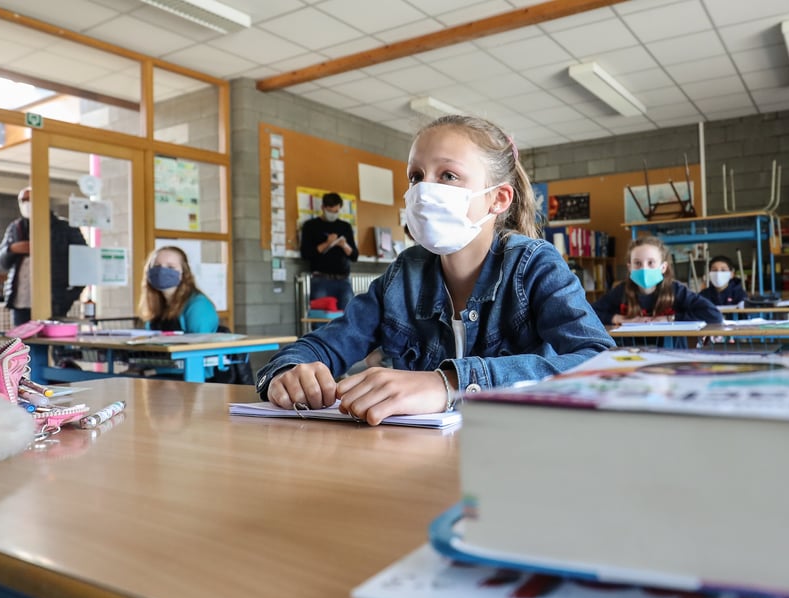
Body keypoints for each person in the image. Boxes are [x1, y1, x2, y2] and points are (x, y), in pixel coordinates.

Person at [257, 114, 613, 425]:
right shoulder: (403, 276)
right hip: (416, 464)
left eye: (448, 175)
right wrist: (289, 373)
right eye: (416, 176)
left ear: (497, 198)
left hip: (516, 458)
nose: (425, 189)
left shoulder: (535, 265)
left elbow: (603, 367)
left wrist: (450, 383)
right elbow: (323, 346)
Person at [0, 186, 87, 325]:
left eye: (30, 199)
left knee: (48, 343)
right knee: (22, 344)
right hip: (20, 302)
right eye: (22, 200)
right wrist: (11, 249)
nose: (26, 204)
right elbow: (0, 262)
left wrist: (68, 296)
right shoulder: (15, 228)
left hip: (53, 301)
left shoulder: (64, 228)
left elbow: (84, 263)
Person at [591, 236, 723, 326]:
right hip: (631, 353)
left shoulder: (675, 290)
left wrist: (670, 318)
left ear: (663, 267)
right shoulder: (621, 291)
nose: (644, 268)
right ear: (629, 267)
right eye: (637, 263)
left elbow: (713, 315)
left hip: (672, 353)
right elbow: (590, 313)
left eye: (651, 263)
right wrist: (617, 318)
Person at [300, 191, 359, 311]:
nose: (333, 214)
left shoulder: (345, 227)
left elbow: (354, 256)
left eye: (336, 211)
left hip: (343, 279)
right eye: (330, 211)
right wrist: (327, 243)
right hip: (321, 279)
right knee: (321, 320)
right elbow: (306, 254)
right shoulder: (311, 226)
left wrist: (344, 245)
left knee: (347, 317)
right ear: (323, 208)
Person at [138, 245, 219, 333]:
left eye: (171, 267)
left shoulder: (198, 304)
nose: (161, 271)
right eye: (157, 266)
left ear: (183, 273)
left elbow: (201, 342)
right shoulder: (156, 304)